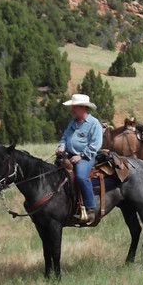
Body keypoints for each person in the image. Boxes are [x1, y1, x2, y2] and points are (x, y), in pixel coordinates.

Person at [55, 92, 103, 223]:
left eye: (74, 107)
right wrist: (61, 146)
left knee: (81, 176)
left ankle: (90, 209)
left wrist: (80, 156)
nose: (72, 110)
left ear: (83, 108)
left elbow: (95, 144)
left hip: (86, 157)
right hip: (69, 155)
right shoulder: (73, 122)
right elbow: (65, 137)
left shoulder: (94, 123)